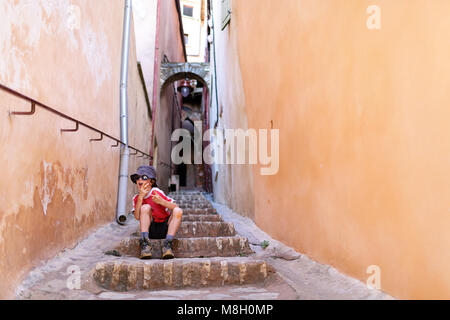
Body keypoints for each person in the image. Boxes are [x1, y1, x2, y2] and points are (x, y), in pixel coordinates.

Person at [130, 166, 183, 260]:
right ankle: (145, 245)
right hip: (150, 228)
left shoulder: (156, 192)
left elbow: (176, 207)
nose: (140, 180)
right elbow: (137, 217)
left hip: (165, 227)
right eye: (137, 177)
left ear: (151, 182)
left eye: (144, 177)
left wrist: (162, 202)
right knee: (145, 207)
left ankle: (167, 245)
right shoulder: (136, 198)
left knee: (178, 211)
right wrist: (141, 197)